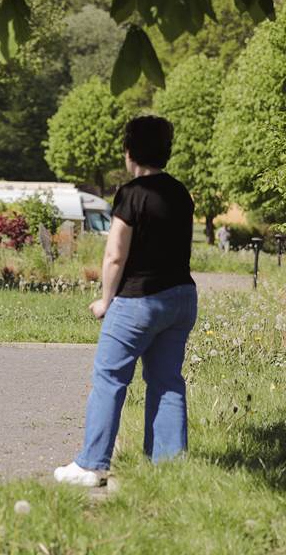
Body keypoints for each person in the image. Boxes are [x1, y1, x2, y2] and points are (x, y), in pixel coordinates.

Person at [54, 116, 197, 487]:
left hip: (140, 301)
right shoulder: (180, 193)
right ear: (166, 150)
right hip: (181, 297)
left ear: (129, 151)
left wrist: (105, 300)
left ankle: (91, 465)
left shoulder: (132, 193)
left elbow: (115, 255)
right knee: (166, 381)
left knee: (110, 377)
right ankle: (168, 469)